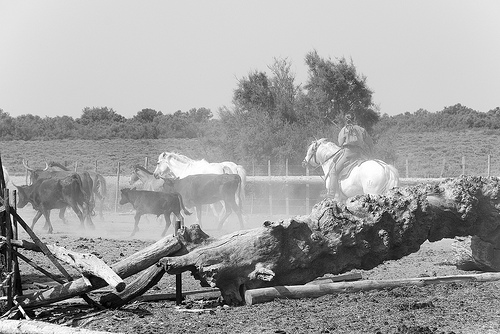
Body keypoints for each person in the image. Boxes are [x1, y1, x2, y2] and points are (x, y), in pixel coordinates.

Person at [328, 113, 374, 199]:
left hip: (347, 153)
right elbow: (370, 143)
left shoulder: (344, 129)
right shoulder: (361, 130)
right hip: (359, 154)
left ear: (346, 120)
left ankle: (331, 196)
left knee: (333, 172)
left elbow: (340, 143)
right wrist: (371, 155)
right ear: (355, 119)